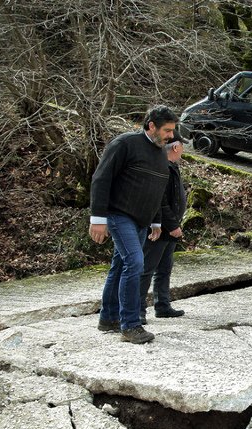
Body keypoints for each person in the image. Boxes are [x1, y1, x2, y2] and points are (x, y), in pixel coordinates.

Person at [89, 105, 179, 344]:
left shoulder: (160, 153)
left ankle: (108, 318)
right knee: (135, 263)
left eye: (173, 130)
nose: (171, 136)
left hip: (142, 220)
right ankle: (130, 325)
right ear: (151, 126)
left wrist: (156, 221)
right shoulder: (125, 144)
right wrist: (98, 219)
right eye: (167, 130)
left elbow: (157, 191)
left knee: (120, 266)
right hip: (119, 215)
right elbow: (101, 178)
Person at [139, 131, 187, 324]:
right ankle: (138, 310)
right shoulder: (163, 168)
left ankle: (163, 305)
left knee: (165, 268)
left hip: (170, 227)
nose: (183, 150)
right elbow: (161, 202)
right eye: (182, 146)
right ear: (175, 147)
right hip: (160, 227)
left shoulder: (171, 167)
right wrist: (173, 225)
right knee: (147, 269)